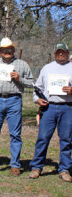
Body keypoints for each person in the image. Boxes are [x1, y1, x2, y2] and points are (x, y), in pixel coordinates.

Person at [0, 37, 34, 176]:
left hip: (14, 100)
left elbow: (32, 84)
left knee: (15, 134)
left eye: (9, 49)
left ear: (13, 50)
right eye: (4, 50)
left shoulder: (22, 65)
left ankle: (15, 165)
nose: (7, 52)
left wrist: (19, 79)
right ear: (0, 51)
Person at [29, 42, 72, 182]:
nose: (61, 54)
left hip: (68, 107)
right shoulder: (47, 68)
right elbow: (37, 88)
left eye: (63, 52)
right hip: (49, 108)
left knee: (66, 140)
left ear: (68, 53)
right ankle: (36, 167)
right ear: (54, 54)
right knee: (43, 138)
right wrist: (37, 100)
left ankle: (64, 169)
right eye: (58, 52)